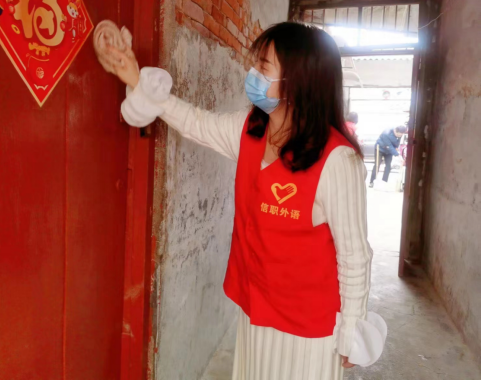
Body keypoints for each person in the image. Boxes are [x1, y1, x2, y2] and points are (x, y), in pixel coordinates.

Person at [99, 22, 386, 380]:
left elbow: (355, 255)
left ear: (297, 82)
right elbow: (195, 122)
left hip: (309, 329)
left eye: (264, 66)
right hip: (256, 308)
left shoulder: (337, 160)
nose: (253, 73)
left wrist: (351, 331)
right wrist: (134, 76)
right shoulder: (251, 130)